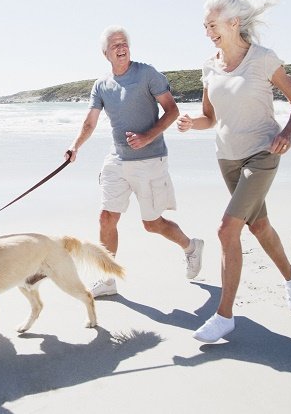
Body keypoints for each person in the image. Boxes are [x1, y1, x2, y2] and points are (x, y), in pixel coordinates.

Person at [178, 0, 291, 343]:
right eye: (205, 26)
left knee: (226, 229)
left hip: (262, 153)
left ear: (234, 23)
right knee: (259, 226)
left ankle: (224, 316)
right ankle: (290, 274)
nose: (208, 31)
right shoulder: (210, 66)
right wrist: (192, 124)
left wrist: (287, 132)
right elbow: (210, 118)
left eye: (212, 24)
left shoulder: (264, 60)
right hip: (227, 157)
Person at [67, 25, 204, 297]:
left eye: (124, 43)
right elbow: (90, 122)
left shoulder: (146, 74)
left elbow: (172, 110)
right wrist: (75, 147)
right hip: (117, 159)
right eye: (115, 44)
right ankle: (107, 279)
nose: (121, 47)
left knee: (152, 223)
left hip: (150, 159)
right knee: (107, 217)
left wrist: (147, 136)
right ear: (105, 53)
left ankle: (191, 246)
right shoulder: (101, 85)